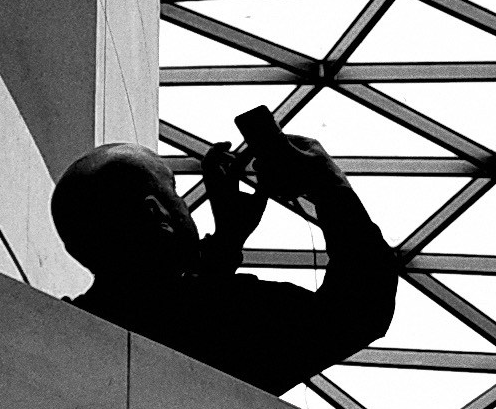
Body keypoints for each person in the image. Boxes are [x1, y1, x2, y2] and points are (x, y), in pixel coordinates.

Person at [50, 103, 396, 390]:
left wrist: (227, 239)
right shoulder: (232, 315)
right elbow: (358, 313)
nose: (185, 206)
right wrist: (328, 183)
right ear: (156, 213)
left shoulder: (62, 332)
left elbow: (161, 301)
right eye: (175, 193)